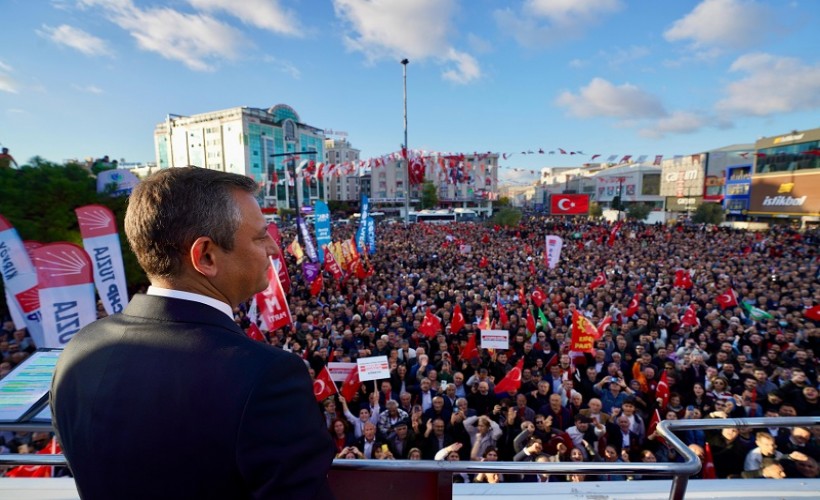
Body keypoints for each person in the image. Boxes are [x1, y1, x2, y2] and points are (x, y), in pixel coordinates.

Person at [50, 167, 335, 499]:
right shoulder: (266, 377)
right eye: (260, 236)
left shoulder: (79, 349)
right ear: (206, 256)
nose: (274, 248)